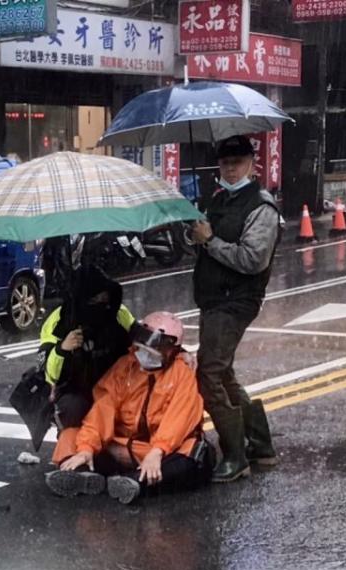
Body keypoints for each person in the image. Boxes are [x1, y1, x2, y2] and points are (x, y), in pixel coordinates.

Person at [45, 312, 213, 504]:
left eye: (153, 351)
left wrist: (158, 451)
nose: (145, 355)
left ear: (171, 351)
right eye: (143, 348)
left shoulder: (181, 373)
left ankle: (135, 482)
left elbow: (179, 419)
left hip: (158, 451)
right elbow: (103, 409)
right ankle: (82, 472)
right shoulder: (125, 367)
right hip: (121, 445)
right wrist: (86, 448)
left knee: (196, 453)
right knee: (71, 435)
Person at [190, 135, 281, 483]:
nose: (230, 169)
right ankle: (260, 445)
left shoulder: (261, 206)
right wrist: (195, 234)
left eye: (237, 162)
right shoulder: (218, 200)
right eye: (225, 163)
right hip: (213, 298)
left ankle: (235, 455)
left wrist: (210, 241)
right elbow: (201, 242)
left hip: (235, 300)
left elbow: (252, 259)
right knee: (223, 372)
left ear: (252, 164)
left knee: (209, 374)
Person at [40, 265, 135, 465]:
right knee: (73, 409)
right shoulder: (58, 321)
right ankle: (74, 453)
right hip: (77, 389)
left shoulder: (119, 313)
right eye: (95, 300)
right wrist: (62, 349)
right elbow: (50, 375)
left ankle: (109, 453)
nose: (102, 305)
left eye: (105, 299)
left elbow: (143, 342)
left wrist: (180, 354)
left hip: (117, 387)